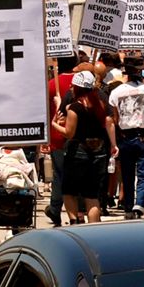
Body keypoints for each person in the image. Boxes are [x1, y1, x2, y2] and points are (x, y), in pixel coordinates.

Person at [52, 71, 116, 224]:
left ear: (78, 88)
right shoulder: (100, 105)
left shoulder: (75, 108)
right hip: (98, 151)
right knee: (92, 195)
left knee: (69, 191)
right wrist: (113, 145)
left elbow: (69, 133)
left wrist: (54, 124)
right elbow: (109, 121)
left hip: (78, 152)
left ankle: (74, 222)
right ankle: (93, 228)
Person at [109, 57, 144, 219]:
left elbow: (115, 118)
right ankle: (140, 203)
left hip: (126, 135)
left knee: (128, 174)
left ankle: (129, 206)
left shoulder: (116, 92)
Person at [43, 56, 77, 227]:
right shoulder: (80, 81)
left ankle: (55, 208)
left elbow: (45, 112)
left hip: (57, 134)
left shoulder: (51, 85)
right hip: (78, 133)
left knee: (59, 174)